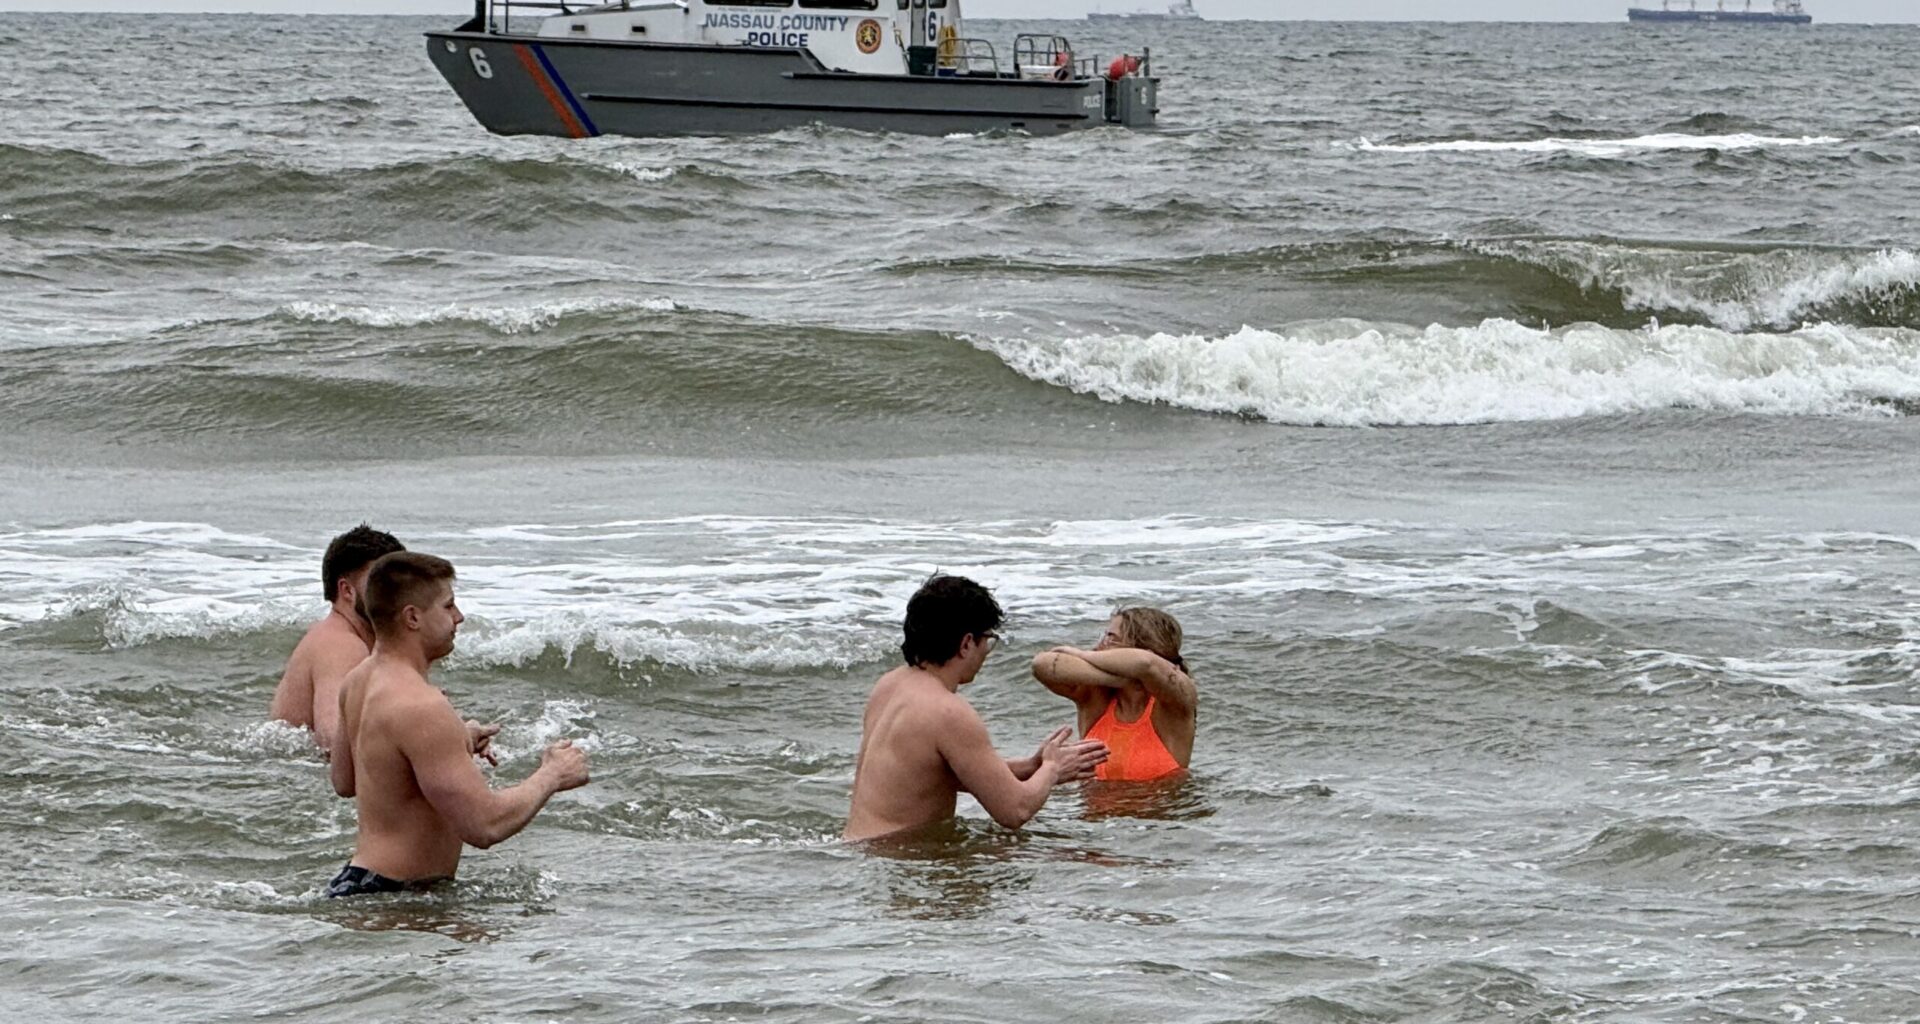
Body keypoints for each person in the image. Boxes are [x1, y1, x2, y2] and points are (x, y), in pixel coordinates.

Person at [326, 552, 589, 897]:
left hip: (360, 883)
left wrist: (455, 741)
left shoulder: (359, 680)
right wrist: (552, 774)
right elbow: (484, 825)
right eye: (448, 606)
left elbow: (346, 780)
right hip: (396, 897)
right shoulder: (422, 706)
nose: (460, 617)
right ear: (413, 617)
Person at [844, 574, 1108, 842]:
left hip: (862, 850)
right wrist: (1052, 769)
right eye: (988, 641)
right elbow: (1014, 811)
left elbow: (931, 778)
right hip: (902, 855)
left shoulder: (889, 685)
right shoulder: (947, 711)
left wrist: (1032, 767)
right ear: (967, 643)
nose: (986, 652)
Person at [269, 524, 406, 753]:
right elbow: (333, 741)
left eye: (402, 581)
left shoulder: (355, 639)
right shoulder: (342, 646)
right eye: (383, 582)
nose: (399, 592)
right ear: (347, 590)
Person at [1030, 607, 1195, 782]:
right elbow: (1042, 664)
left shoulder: (1174, 705)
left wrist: (1082, 654)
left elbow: (1145, 662)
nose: (1099, 645)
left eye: (1110, 638)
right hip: (1094, 809)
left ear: (1140, 647)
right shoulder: (1096, 699)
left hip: (1166, 809)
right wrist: (1122, 680)